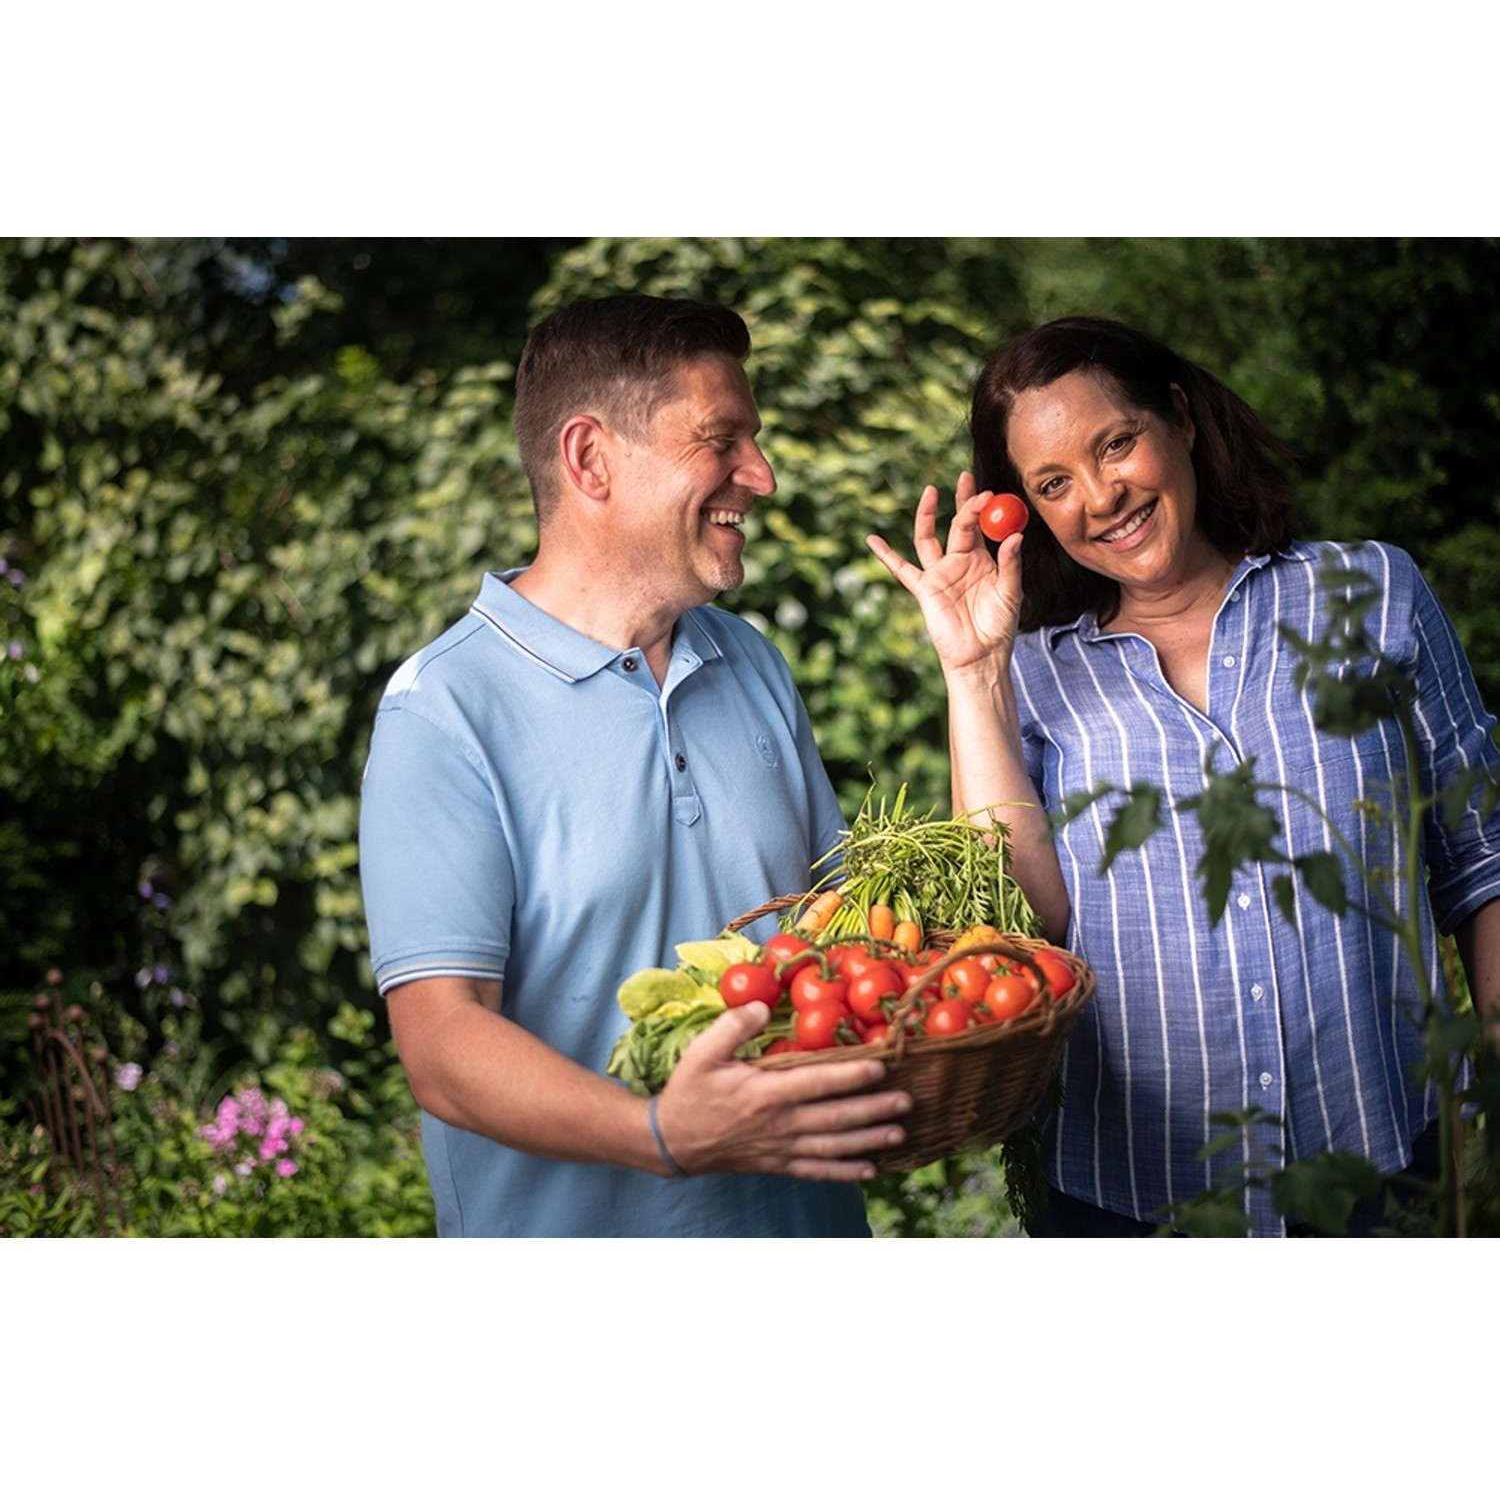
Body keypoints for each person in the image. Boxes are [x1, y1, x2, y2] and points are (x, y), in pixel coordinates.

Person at [868, 314, 1500, 1237]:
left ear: (1180, 419)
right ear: (1028, 513)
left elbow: (1483, 854)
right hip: (1129, 1197)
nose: (1100, 496)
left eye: (1115, 443)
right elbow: (1029, 922)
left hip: (1382, 1169)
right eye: (1053, 483)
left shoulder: (1371, 595)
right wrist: (973, 672)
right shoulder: (1034, 672)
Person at [359, 295, 910, 1237]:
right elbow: (443, 1042)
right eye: (721, 439)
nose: (762, 476)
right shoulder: (443, 712)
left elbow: (844, 925)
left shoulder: (752, 663)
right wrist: (659, 1133)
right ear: (590, 459)